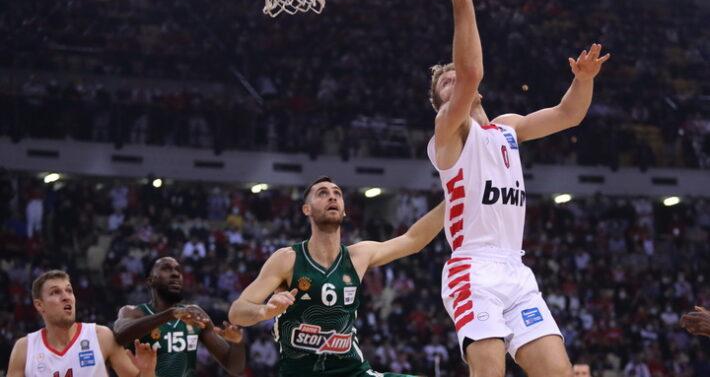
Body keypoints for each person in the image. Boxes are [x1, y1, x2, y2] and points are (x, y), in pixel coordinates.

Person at [424, 0, 610, 377]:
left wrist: (582, 81)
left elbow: (568, 115)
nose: (456, 82)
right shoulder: (447, 133)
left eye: (455, 77)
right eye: (446, 84)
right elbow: (471, 73)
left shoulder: (506, 128)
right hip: (472, 268)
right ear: (440, 103)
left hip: (515, 268)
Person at [228, 176, 445, 376]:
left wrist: (454, 198)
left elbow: (413, 240)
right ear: (306, 209)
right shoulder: (287, 259)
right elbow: (237, 312)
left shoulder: (358, 256)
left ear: (344, 210)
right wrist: (264, 311)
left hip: (353, 372)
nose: (332, 197)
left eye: (337, 193)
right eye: (322, 193)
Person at [6, 270, 157, 377]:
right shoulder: (25, 348)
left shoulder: (101, 337)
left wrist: (148, 372)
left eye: (69, 291)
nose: (66, 297)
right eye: (55, 292)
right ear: (39, 305)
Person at [113, 257, 245, 377]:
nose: (175, 274)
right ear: (150, 280)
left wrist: (238, 343)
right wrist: (170, 315)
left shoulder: (195, 315)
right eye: (166, 269)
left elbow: (234, 368)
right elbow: (119, 335)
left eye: (178, 270)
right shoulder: (133, 312)